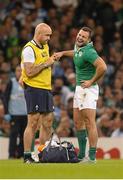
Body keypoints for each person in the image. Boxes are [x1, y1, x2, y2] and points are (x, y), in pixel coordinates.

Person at [54, 26, 107, 162]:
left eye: (83, 36)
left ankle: (92, 157)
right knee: (78, 123)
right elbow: (76, 53)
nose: (80, 37)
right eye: (79, 35)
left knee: (90, 122)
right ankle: (82, 155)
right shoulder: (79, 47)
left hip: (88, 89)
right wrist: (62, 53)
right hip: (79, 89)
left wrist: (91, 81)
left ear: (89, 40)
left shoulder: (89, 51)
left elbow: (103, 67)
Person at [20, 23, 56, 163]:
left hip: (46, 88)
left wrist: (50, 60)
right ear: (38, 34)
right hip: (34, 88)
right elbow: (29, 72)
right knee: (33, 123)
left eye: (50, 35)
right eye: (47, 35)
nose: (49, 38)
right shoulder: (29, 49)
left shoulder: (45, 46)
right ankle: (27, 156)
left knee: (47, 122)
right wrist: (46, 63)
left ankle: (43, 153)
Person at [5, 65, 27, 158]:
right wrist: (6, 112)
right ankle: (11, 154)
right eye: (18, 70)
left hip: (25, 114)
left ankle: (21, 154)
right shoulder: (11, 82)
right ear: (15, 72)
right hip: (14, 114)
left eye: (21, 70)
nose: (20, 72)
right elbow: (5, 97)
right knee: (13, 135)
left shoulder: (27, 82)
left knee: (23, 136)